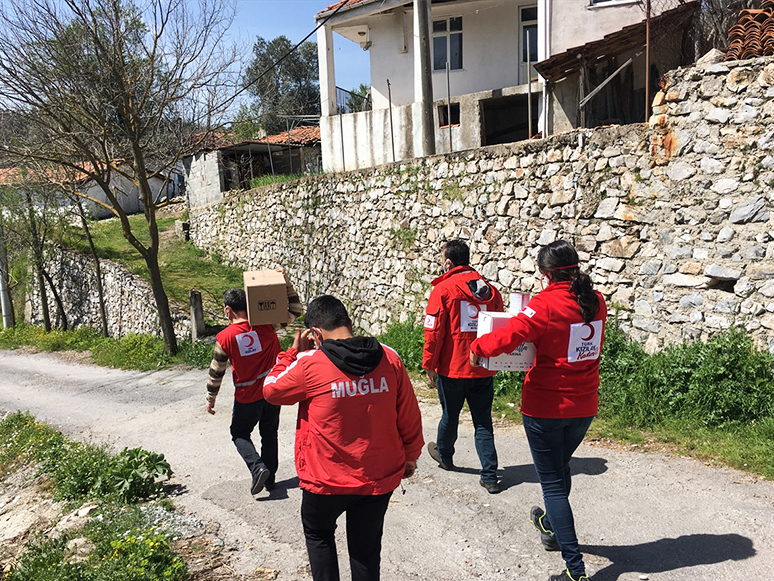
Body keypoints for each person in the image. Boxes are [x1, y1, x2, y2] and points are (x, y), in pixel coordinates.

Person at [470, 239, 607, 581]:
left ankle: (575, 569)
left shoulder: (544, 305)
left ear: (546, 274)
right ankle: (549, 524)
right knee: (560, 468)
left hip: (547, 406)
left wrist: (477, 347)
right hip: (584, 404)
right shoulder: (595, 300)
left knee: (553, 484)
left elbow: (511, 334)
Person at [263, 295, 423, 581]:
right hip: (377, 477)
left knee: (319, 535)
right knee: (366, 550)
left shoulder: (310, 363)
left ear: (315, 333)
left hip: (325, 481)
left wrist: (290, 355)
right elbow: (408, 414)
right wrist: (410, 456)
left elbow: (271, 390)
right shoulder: (389, 356)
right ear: (349, 323)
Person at [205, 273, 302, 496]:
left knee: (239, 433)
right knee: (269, 434)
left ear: (228, 310)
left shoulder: (224, 338)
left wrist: (211, 398)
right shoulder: (267, 325)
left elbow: (216, 371)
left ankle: (258, 467)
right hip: (271, 391)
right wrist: (287, 286)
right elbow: (296, 309)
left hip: (247, 396)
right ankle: (271, 481)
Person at [422, 239, 504, 493]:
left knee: (450, 415)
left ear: (448, 262)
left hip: (452, 367)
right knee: (483, 421)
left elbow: (433, 332)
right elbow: (501, 326)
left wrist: (429, 365)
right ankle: (490, 475)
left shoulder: (443, 290)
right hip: (482, 367)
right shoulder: (490, 290)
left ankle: (445, 456)